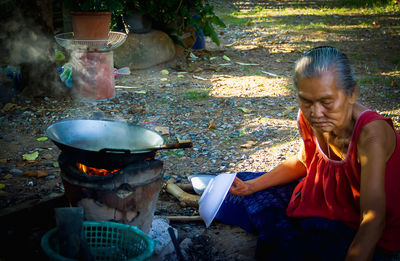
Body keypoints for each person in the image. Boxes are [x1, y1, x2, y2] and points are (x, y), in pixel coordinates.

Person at [215, 46, 400, 261]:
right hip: (328, 202)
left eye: (326, 102)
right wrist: (251, 186)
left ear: (352, 94)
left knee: (286, 247)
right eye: (306, 101)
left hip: (372, 230)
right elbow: (305, 161)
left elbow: (373, 218)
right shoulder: (309, 117)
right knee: (250, 186)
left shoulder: (371, 136)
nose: (316, 112)